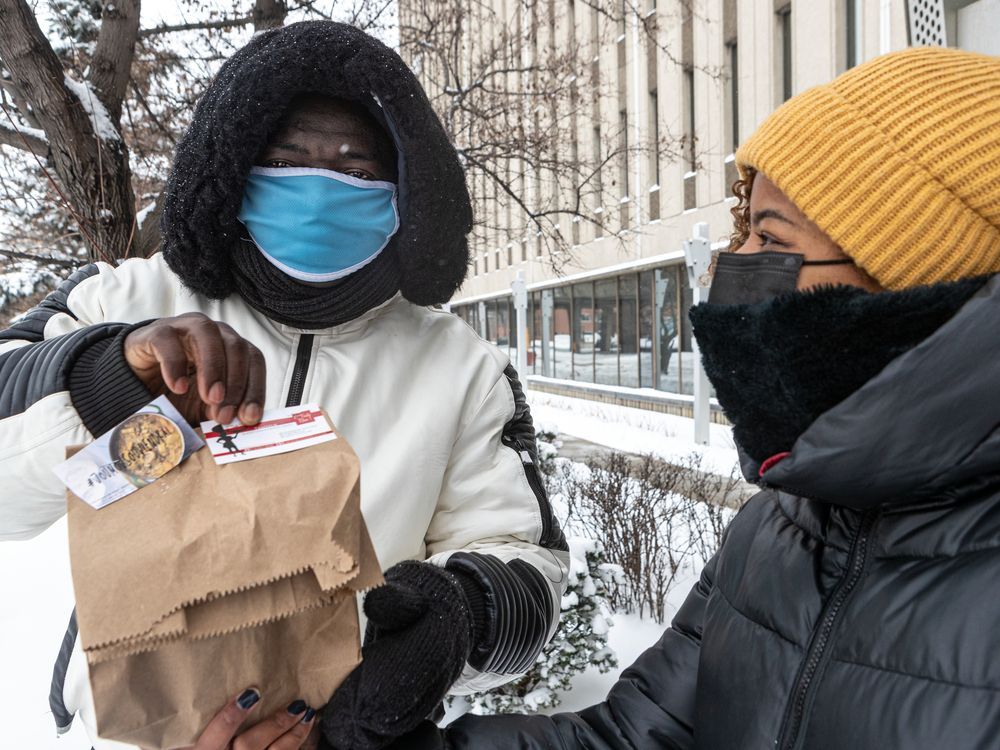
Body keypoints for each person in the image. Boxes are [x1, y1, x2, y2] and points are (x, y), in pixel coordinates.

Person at [361, 46, 1000, 750]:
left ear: (917, 272)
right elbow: (633, 738)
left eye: (770, 237)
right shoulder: (773, 535)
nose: (736, 268)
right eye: (744, 229)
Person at [0, 21, 569, 750]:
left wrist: (456, 619)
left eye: (358, 169)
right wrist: (110, 386)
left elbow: (527, 563)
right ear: (237, 169)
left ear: (404, 194)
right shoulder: (127, 302)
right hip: (123, 730)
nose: (320, 185)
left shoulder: (462, 371)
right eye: (288, 158)